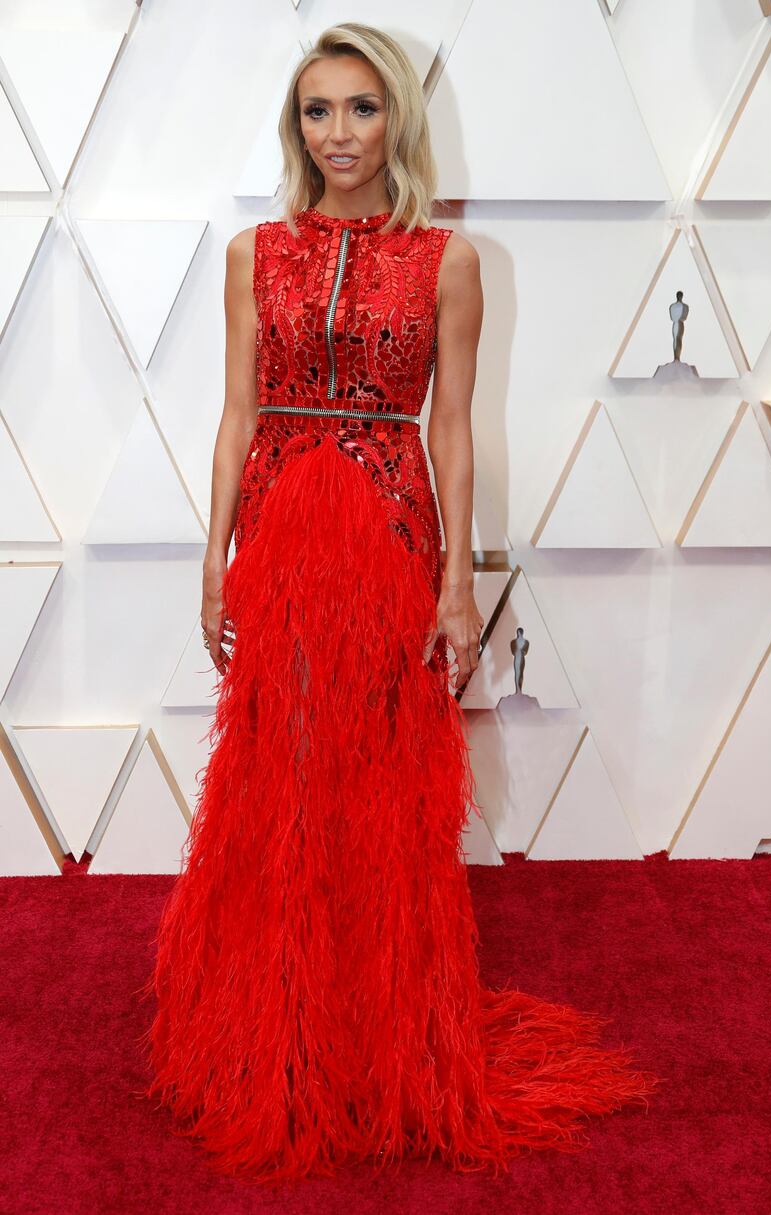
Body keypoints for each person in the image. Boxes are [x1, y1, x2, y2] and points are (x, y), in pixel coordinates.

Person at [140, 21, 659, 1186]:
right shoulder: (251, 252)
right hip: (275, 532)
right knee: (277, 773)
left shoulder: (447, 263)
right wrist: (210, 556)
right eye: (318, 111)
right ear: (296, 126)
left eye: (362, 110)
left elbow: (452, 425)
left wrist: (458, 583)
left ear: (398, 124)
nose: (339, 134)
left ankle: (377, 1036)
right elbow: (235, 412)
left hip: (383, 535)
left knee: (374, 783)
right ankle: (274, 1028)